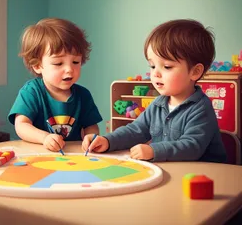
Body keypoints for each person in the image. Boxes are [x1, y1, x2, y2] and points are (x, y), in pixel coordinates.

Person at [83, 19, 227, 163]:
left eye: (167, 67)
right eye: (152, 66)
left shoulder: (201, 108)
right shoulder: (158, 104)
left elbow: (191, 147)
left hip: (204, 176)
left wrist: (154, 150)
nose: (155, 74)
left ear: (195, 72)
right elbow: (135, 130)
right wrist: (107, 140)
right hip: (174, 170)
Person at [8, 18, 102, 152]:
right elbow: (21, 125)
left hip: (72, 157)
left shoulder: (83, 95)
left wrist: (91, 137)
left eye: (75, 62)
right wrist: (44, 138)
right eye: (58, 63)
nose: (69, 69)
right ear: (37, 65)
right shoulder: (31, 91)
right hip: (39, 155)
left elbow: (91, 126)